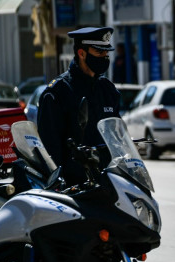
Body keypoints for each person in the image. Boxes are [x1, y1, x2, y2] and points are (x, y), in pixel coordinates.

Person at [38, 26, 121, 185]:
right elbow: (49, 148)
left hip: (109, 182)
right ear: (81, 53)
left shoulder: (108, 90)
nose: (105, 57)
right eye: (99, 52)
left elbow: (117, 134)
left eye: (106, 53)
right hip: (75, 187)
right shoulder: (58, 92)